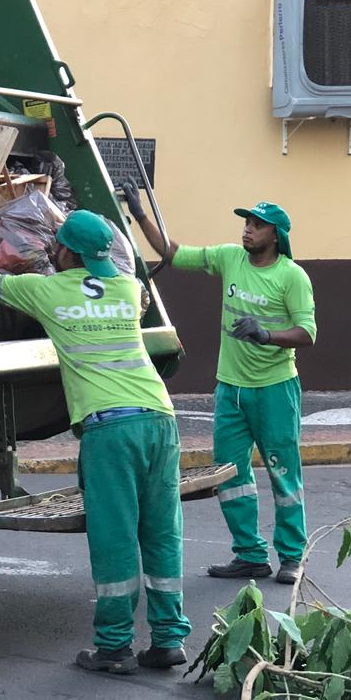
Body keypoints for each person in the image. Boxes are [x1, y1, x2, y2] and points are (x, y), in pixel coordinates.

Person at [0, 210, 191, 674]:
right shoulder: (129, 290)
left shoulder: (45, 291)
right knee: (162, 531)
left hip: (110, 429)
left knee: (115, 536)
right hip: (160, 418)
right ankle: (168, 639)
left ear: (64, 251)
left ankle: (113, 648)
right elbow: (131, 289)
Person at [120, 184, 316, 585]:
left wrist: (266, 334)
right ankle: (249, 555)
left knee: (283, 474)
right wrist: (141, 215)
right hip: (230, 390)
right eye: (246, 222)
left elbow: (307, 332)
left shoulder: (291, 276)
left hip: (275, 389)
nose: (247, 230)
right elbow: (173, 254)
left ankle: (292, 557)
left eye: (257, 225)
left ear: (275, 236)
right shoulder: (230, 258)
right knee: (230, 474)